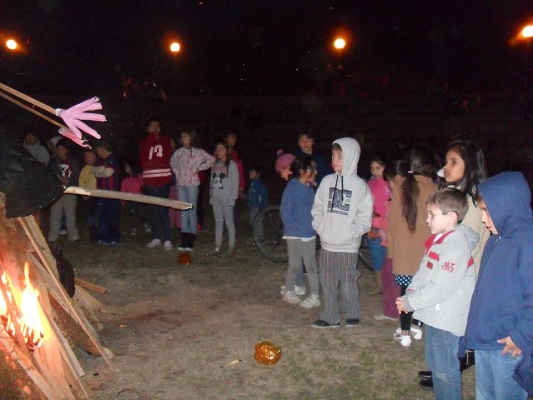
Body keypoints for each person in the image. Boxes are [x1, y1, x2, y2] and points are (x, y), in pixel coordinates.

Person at [418, 137, 489, 391]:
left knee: (449, 328)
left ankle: (452, 367)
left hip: (463, 276)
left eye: (454, 162)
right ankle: (445, 369)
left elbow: (462, 244)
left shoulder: (471, 201)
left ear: (469, 166)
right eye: (446, 161)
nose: (446, 166)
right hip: (451, 274)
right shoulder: (455, 196)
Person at [396, 189, 478, 400]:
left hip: (446, 318)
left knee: (445, 370)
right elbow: (425, 270)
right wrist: (411, 291)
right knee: (436, 365)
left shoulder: (455, 247)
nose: (426, 219)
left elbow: (440, 287)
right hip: (435, 314)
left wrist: (410, 301)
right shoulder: (440, 240)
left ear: (451, 217)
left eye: (432, 214)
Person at [464, 172, 533, 400]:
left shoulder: (526, 244)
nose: (484, 219)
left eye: (487, 212)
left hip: (508, 346)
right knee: (485, 395)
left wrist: (521, 336)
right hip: (486, 339)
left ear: (508, 207)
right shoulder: (495, 239)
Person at [311, 137, 373, 328]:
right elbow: (317, 208)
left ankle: (352, 313)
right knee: (327, 282)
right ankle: (330, 317)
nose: (335, 160)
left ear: (352, 158)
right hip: (328, 244)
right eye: (333, 156)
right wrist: (322, 229)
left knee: (348, 282)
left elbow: (364, 217)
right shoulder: (327, 181)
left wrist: (351, 233)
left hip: (348, 246)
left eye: (340, 156)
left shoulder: (360, 186)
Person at [388, 145, 438, 347]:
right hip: (425, 254)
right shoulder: (434, 188)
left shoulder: (401, 187)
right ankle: (417, 325)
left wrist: (392, 250)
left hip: (404, 253)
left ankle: (406, 331)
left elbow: (391, 222)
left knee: (406, 291)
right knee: (422, 291)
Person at [280, 156, 320, 309]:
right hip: (295, 234)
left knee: (311, 265)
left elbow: (314, 209)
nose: (316, 171)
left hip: (309, 233)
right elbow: (285, 210)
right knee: (295, 264)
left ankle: (315, 294)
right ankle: (289, 290)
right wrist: (294, 226)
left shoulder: (309, 188)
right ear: (303, 171)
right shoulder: (292, 188)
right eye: (313, 169)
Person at [170, 129, 215, 252]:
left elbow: (211, 159)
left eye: (185, 137)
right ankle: (184, 239)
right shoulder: (179, 152)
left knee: (192, 210)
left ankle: (191, 239)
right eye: (182, 137)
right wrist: (177, 172)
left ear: (191, 138)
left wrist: (200, 168)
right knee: (184, 211)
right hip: (181, 184)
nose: (183, 139)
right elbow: (172, 162)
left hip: (192, 185)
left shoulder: (198, 152)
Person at [373, 160, 404, 322]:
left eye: (390, 181)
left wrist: (374, 222)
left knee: (389, 278)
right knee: (392, 278)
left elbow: (389, 222)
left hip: (394, 246)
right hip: (393, 244)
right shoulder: (401, 197)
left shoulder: (399, 200)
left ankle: (391, 311)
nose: (389, 185)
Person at [275, 150, 306, 297]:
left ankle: (295, 285)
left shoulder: (294, 186)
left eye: (281, 170)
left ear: (288, 168)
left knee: (295, 259)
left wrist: (290, 225)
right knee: (296, 258)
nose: (280, 174)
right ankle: (295, 283)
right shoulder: (296, 185)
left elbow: (288, 209)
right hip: (296, 228)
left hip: (295, 229)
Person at [139, 117, 174, 251]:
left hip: (163, 179)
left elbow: (165, 157)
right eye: (152, 126)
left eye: (158, 126)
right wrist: (150, 138)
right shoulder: (143, 142)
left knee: (163, 209)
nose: (156, 129)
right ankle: (156, 237)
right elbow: (143, 160)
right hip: (149, 180)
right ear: (147, 128)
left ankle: (168, 239)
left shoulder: (165, 140)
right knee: (153, 210)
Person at [208, 141, 239, 257]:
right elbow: (212, 181)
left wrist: (233, 198)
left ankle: (231, 247)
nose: (218, 151)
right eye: (217, 149)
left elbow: (235, 183)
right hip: (216, 197)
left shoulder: (232, 165)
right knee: (218, 222)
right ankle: (217, 246)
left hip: (227, 198)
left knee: (229, 222)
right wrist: (211, 196)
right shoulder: (214, 165)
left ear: (227, 151)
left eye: (221, 149)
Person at [47, 139, 80, 243]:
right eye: (58, 149)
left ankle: (73, 236)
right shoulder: (53, 161)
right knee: (55, 215)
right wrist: (57, 181)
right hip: (57, 191)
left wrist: (69, 181)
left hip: (70, 191)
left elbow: (76, 176)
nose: (60, 151)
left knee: (70, 214)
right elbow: (48, 175)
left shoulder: (73, 162)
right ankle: (52, 237)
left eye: (63, 149)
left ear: (67, 150)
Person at [366, 153, 390, 295]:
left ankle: (388, 287)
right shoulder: (369, 184)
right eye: (372, 168)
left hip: (386, 225)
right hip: (372, 224)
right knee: (375, 255)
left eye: (378, 168)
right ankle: (378, 285)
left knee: (387, 256)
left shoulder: (390, 184)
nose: (375, 171)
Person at [92, 140, 121, 245]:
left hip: (111, 193)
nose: (97, 152)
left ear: (103, 148)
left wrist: (98, 173)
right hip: (101, 193)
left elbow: (108, 173)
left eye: (98, 149)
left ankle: (114, 238)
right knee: (102, 216)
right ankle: (104, 237)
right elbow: (92, 170)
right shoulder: (100, 160)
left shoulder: (112, 158)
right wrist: (99, 170)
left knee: (112, 216)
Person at [121, 161, 150, 237]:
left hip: (139, 199)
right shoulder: (125, 180)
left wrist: (145, 195)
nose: (126, 169)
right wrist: (123, 201)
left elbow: (143, 185)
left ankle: (145, 224)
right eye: (125, 167)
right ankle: (133, 228)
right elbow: (123, 191)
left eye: (128, 167)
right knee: (132, 214)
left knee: (141, 212)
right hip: (130, 201)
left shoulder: (139, 177)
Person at [78, 149, 98, 242]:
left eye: (89, 156)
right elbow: (81, 181)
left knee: (99, 215)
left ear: (95, 157)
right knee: (91, 216)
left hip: (99, 195)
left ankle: (100, 234)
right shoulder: (85, 169)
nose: (87, 158)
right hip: (89, 196)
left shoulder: (99, 167)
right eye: (86, 156)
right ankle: (93, 236)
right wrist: (83, 193)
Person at [247, 164, 268, 242]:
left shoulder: (260, 185)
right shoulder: (253, 183)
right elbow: (251, 195)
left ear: (258, 174)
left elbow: (263, 196)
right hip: (253, 206)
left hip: (258, 207)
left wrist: (262, 206)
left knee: (257, 222)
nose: (250, 173)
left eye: (252, 172)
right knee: (253, 222)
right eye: (250, 171)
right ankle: (256, 237)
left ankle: (260, 238)